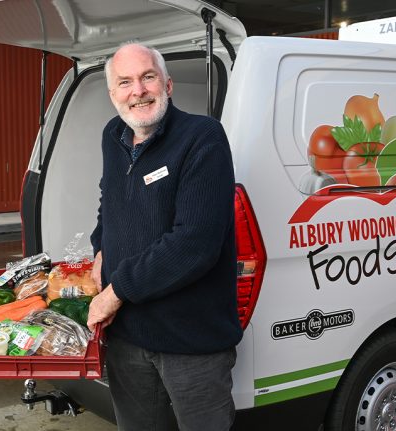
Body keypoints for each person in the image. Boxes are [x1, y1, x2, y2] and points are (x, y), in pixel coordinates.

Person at [87, 43, 243, 431]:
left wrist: (114, 291)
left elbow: (195, 243)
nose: (137, 90)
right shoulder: (114, 135)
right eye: (125, 82)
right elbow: (111, 200)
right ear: (113, 94)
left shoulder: (202, 138)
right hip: (127, 337)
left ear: (167, 85)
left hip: (191, 341)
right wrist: (101, 248)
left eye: (147, 77)